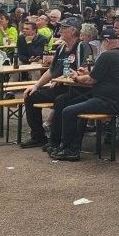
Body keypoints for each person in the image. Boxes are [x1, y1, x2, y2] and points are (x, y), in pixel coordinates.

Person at [52, 28, 119, 161]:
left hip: (110, 102)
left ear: (107, 41)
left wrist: (76, 77)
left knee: (68, 110)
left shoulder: (107, 55)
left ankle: (70, 150)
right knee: (76, 106)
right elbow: (99, 74)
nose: (100, 45)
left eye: (102, 42)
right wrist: (87, 73)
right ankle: (71, 147)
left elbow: (91, 80)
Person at [18, 21, 90, 150]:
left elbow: (83, 69)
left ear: (73, 31)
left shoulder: (82, 46)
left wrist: (61, 78)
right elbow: (51, 71)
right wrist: (36, 86)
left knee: (60, 101)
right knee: (30, 95)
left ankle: (55, 140)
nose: (60, 30)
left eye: (64, 28)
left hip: (77, 89)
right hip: (60, 86)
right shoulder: (61, 48)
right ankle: (38, 136)